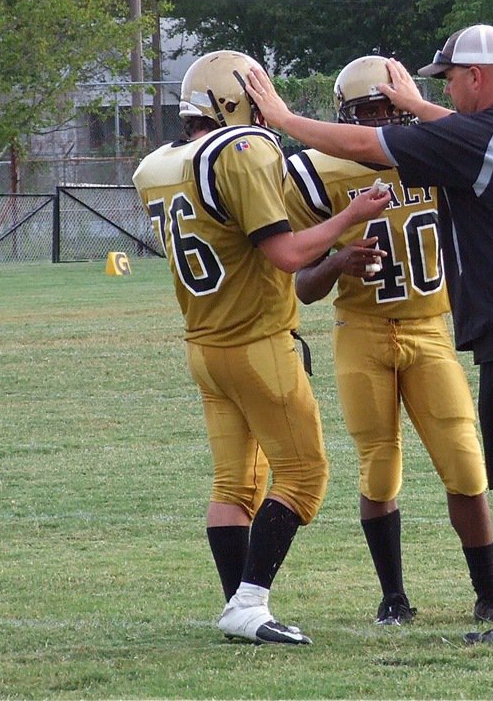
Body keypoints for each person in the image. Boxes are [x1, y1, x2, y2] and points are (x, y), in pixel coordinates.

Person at [245, 25, 493, 645]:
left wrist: (281, 117)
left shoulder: (478, 135)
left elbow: (364, 142)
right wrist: (416, 105)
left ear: (477, 77)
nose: (447, 91)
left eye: (452, 79)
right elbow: (470, 132)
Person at [133, 50, 390, 645]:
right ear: (235, 103)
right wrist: (350, 215)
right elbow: (287, 255)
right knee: (304, 476)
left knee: (233, 485)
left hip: (205, 346)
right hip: (257, 344)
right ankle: (250, 602)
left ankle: (237, 609)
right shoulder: (242, 148)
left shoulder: (159, 164)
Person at [281, 55, 493, 628]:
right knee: (379, 468)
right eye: (368, 113)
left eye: (390, 110)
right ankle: (393, 597)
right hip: (361, 330)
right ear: (346, 116)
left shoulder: (435, 155)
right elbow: (303, 286)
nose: (381, 123)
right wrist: (337, 262)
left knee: (466, 465)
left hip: (429, 327)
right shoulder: (316, 172)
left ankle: (488, 592)